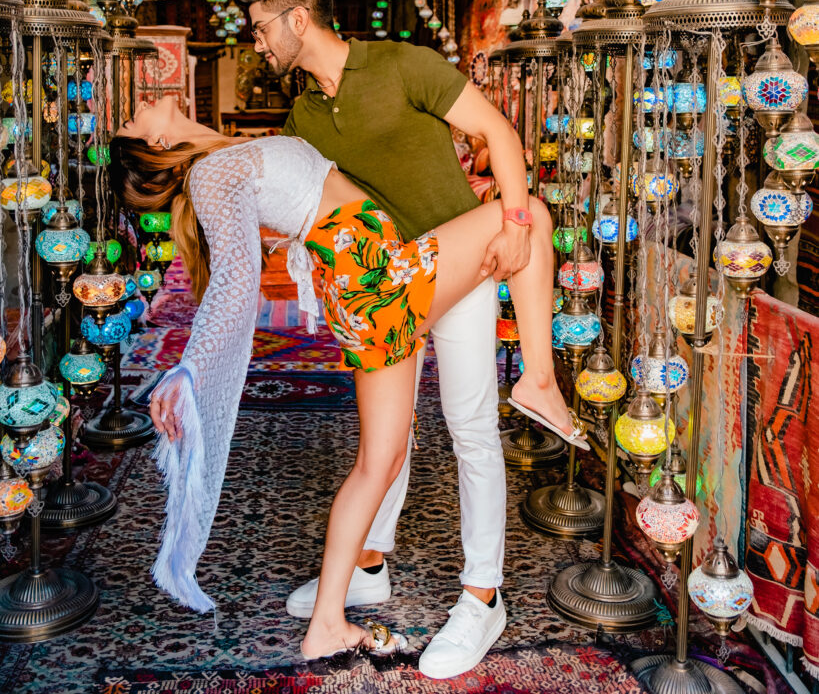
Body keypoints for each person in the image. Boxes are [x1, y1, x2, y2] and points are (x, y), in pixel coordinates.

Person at [109, 99, 586, 664]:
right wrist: (190, 366)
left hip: (369, 282)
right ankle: (538, 380)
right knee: (527, 210)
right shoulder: (212, 173)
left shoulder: (224, 158)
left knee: (377, 461)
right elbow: (236, 281)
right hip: (380, 274)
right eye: (131, 122)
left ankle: (330, 619)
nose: (138, 106)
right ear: (156, 146)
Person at [232, 0, 529, 678]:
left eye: (259, 27)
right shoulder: (303, 115)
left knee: (469, 426)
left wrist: (515, 221)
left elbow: (496, 129)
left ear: (297, 19)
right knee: (387, 439)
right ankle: (368, 566)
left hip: (460, 266)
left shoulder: (400, 63)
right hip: (387, 285)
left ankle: (482, 596)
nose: (256, 43)